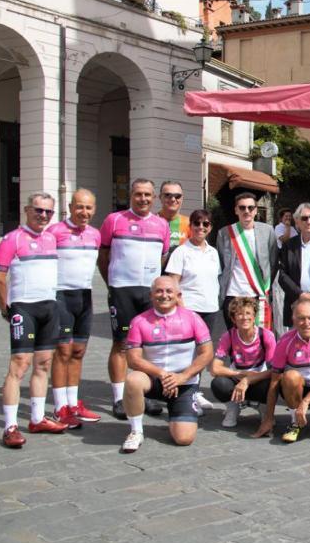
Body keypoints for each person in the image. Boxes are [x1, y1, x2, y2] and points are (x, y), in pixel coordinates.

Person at [0, 192, 68, 447]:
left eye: (48, 211)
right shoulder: (12, 239)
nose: (43, 215)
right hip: (23, 308)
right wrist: (6, 309)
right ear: (27, 210)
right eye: (38, 210)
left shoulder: (51, 238)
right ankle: (10, 426)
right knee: (20, 365)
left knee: (44, 364)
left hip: (49, 307)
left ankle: (37, 418)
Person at [98, 178, 171, 419]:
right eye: (139, 194)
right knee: (121, 343)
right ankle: (119, 397)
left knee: (149, 345)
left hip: (149, 292)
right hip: (122, 289)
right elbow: (104, 256)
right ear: (131, 195)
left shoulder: (161, 224)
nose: (143, 199)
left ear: (154, 198)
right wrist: (113, 283)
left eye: (148, 195)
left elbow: (162, 257)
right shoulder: (114, 220)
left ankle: (144, 394)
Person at [120, 277, 213, 453]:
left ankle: (177, 413)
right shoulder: (139, 321)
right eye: (159, 291)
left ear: (178, 295)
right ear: (151, 295)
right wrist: (162, 374)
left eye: (169, 291)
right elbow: (133, 359)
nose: (164, 295)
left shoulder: (193, 318)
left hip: (184, 382)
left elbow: (207, 353)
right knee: (133, 380)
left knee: (184, 439)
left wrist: (182, 377)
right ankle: (136, 431)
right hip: (154, 379)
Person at [47, 188, 103, 427]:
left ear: (94, 210)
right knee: (63, 352)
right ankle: (60, 408)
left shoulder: (95, 234)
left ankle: (73, 403)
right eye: (79, 206)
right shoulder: (54, 232)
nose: (84, 212)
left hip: (84, 296)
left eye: (88, 207)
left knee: (78, 352)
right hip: (60, 295)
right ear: (70, 207)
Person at [254, 299, 310, 443]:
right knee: (290, 376)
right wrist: (269, 418)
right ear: (293, 319)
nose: (306, 323)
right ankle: (294, 421)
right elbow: (275, 381)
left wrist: (306, 402)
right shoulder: (284, 341)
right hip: (293, 387)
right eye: (301, 318)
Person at [210, 297, 277, 428]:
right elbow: (215, 368)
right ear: (233, 319)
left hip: (259, 377)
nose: (244, 317)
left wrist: (248, 380)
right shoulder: (228, 336)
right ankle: (233, 407)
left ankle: (262, 407)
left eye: (248, 313)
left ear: (254, 316)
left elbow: (274, 370)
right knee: (218, 384)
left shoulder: (266, 336)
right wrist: (240, 374)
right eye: (239, 314)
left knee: (273, 384)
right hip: (237, 376)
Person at [216, 192, 278, 330]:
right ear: (236, 210)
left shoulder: (267, 231)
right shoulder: (224, 233)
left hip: (257, 294)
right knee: (234, 339)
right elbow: (221, 263)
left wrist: (265, 286)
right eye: (242, 207)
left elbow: (273, 262)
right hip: (232, 294)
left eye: (250, 207)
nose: (247, 211)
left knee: (258, 339)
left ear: (256, 210)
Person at [165, 209, 221, 333]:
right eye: (197, 223)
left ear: (210, 227)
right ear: (190, 226)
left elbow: (214, 281)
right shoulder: (180, 251)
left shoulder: (214, 252)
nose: (201, 227)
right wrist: (182, 309)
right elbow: (173, 285)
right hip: (188, 309)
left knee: (205, 348)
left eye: (205, 224)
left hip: (210, 309)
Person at [157, 180, 190, 258]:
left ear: (182, 198)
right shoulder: (150, 222)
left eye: (177, 196)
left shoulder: (190, 224)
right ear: (160, 197)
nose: (172, 199)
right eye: (167, 195)